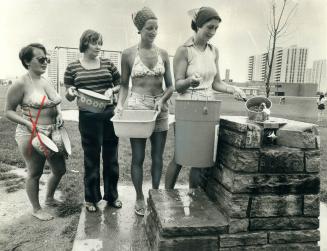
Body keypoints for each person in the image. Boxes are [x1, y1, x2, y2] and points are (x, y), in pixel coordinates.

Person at [165, 6, 246, 189]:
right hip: (188, 106)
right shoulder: (184, 50)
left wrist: (233, 89)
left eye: (216, 28)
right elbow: (177, 84)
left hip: (208, 108)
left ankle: (194, 198)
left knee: (200, 159)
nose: (213, 32)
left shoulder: (214, 51)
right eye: (209, 27)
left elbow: (216, 83)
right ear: (198, 25)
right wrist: (189, 82)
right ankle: (165, 197)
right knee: (180, 155)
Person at [115, 7, 174, 216]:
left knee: (157, 156)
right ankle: (140, 196)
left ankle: (155, 194)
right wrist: (120, 104)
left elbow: (170, 86)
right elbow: (123, 84)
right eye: (149, 28)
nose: (154, 31)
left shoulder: (164, 54)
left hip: (161, 108)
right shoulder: (128, 54)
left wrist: (163, 101)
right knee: (137, 157)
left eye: (156, 28)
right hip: (137, 107)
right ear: (139, 29)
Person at [4, 43, 66, 220]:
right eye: (41, 59)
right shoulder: (20, 83)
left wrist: (59, 114)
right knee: (34, 172)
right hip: (30, 133)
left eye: (47, 59)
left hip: (52, 132)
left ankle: (49, 198)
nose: (45, 62)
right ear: (27, 61)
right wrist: (27, 124)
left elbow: (56, 102)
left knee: (60, 169)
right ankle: (36, 209)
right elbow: (8, 111)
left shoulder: (46, 81)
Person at [64, 29, 122, 212]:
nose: (99, 47)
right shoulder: (72, 67)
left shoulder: (107, 63)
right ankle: (91, 198)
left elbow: (120, 83)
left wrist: (112, 91)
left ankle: (112, 196)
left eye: (100, 43)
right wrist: (70, 92)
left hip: (109, 115)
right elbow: (70, 92)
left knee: (111, 158)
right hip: (88, 118)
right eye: (95, 43)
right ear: (85, 44)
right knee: (91, 158)